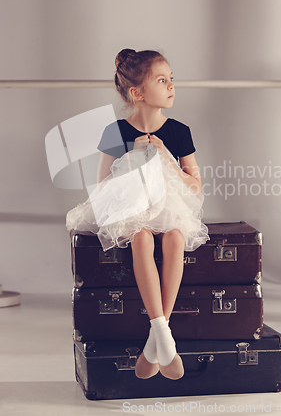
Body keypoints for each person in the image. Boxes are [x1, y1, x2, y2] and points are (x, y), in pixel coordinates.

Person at [66, 49, 209, 381]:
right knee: (141, 239)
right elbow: (100, 188)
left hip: (170, 205)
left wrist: (166, 158)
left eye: (172, 78)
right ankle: (162, 336)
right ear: (137, 93)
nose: (172, 85)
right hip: (131, 207)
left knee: (174, 236)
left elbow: (195, 187)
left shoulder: (178, 132)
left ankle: (156, 339)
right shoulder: (115, 132)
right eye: (162, 80)